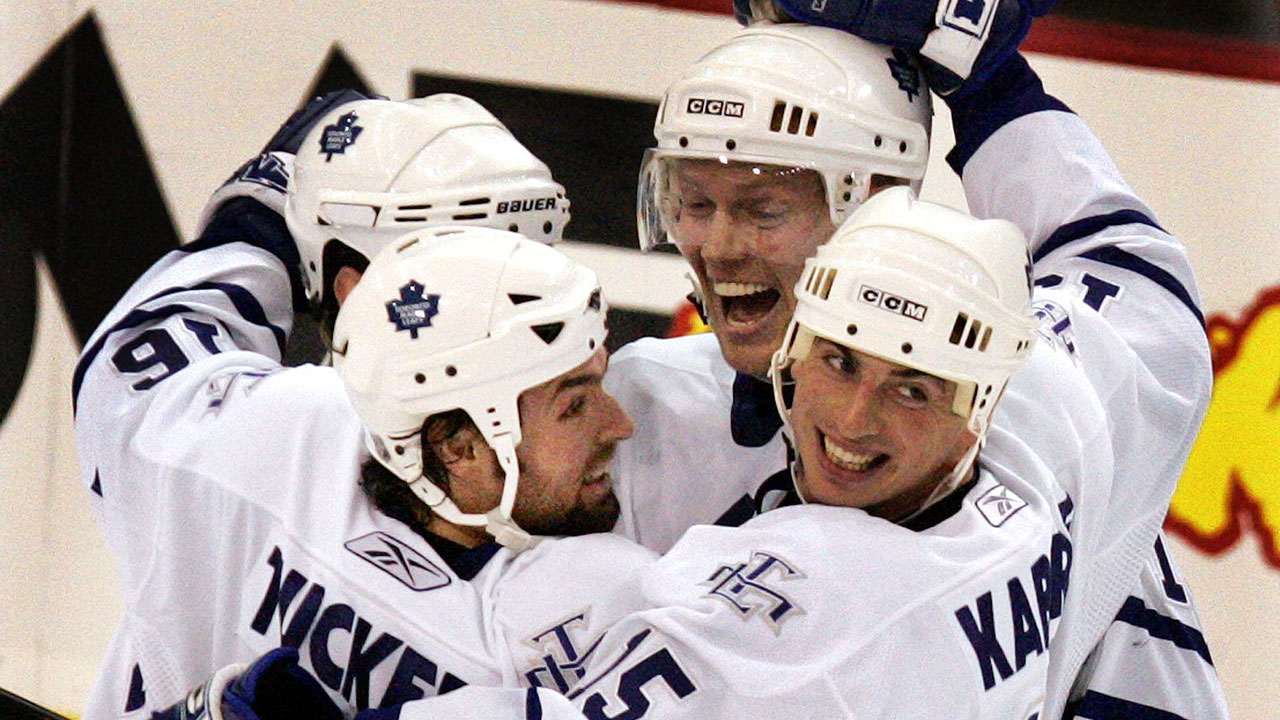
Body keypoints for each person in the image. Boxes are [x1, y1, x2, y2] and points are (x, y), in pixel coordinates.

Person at [609, 18, 1226, 719]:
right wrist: (986, 77)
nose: (716, 247)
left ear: (870, 203)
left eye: (764, 209)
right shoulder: (641, 411)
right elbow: (1129, 275)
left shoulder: (1025, 390)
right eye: (692, 203)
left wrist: (990, 76)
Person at [73, 94, 652, 718]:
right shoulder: (268, 433)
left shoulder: (610, 551)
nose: (618, 423)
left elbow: (138, 353)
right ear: (454, 446)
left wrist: (268, 205)